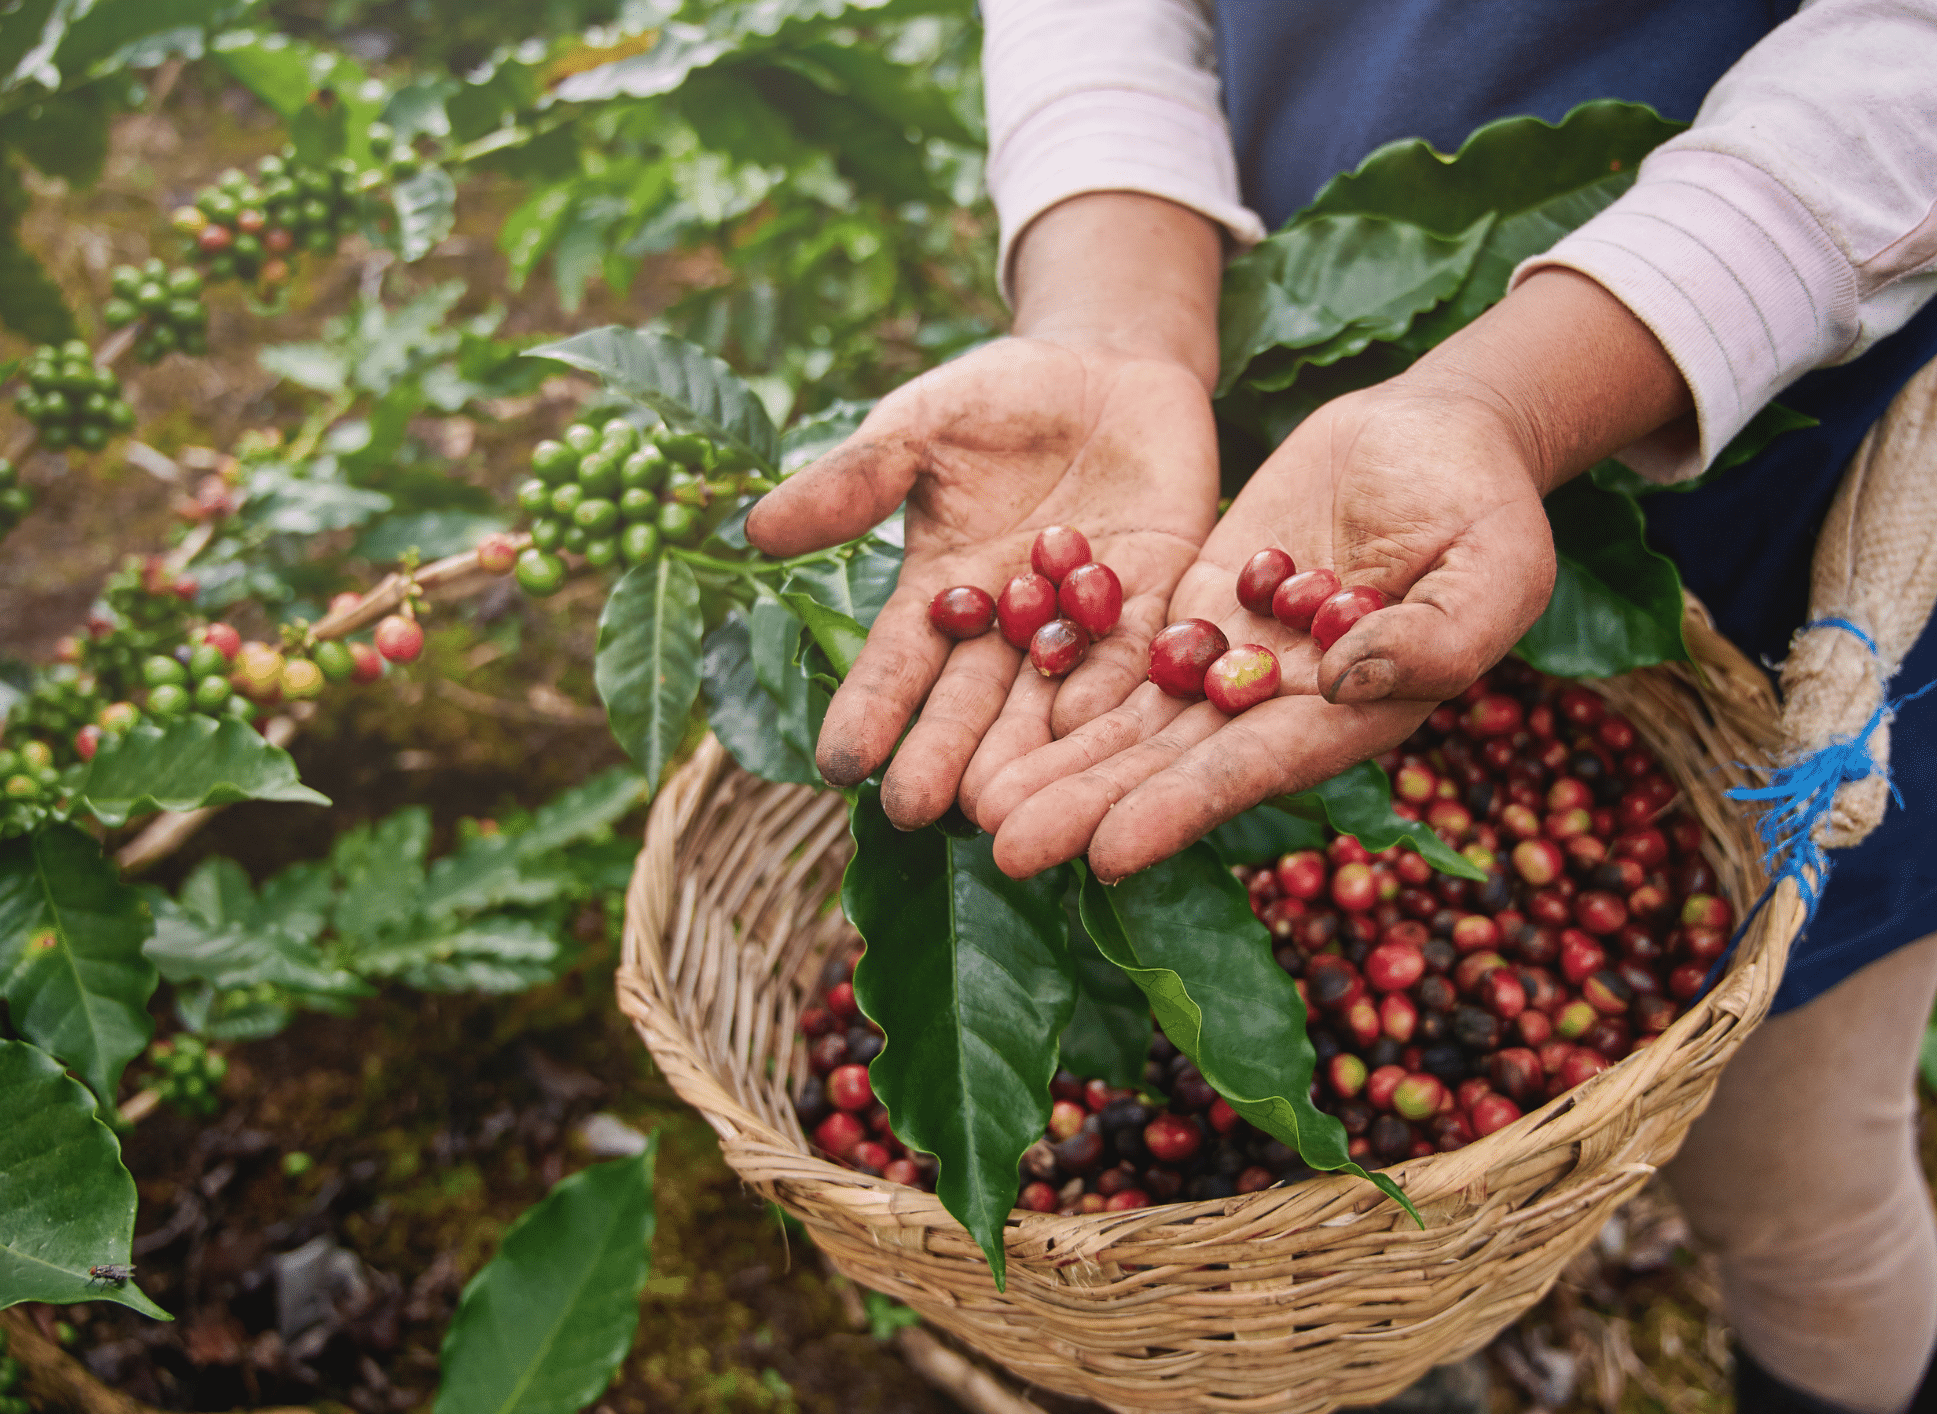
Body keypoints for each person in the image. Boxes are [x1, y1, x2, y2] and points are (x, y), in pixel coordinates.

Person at [746, 3, 1937, 1410]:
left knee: (1805, 1196)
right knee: (1389, 1111)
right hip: (1293, 447)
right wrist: (1116, 320)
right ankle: (1413, 1312)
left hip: (1790, 459)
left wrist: (1512, 403)